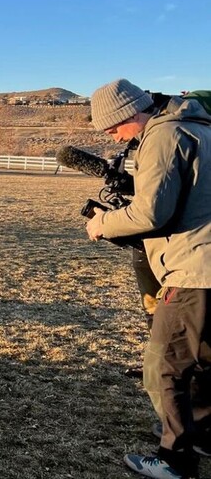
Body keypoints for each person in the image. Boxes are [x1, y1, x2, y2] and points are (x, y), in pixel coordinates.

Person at [85, 78, 211, 479]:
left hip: (194, 269)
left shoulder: (163, 134)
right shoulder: (198, 126)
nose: (113, 137)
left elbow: (152, 214)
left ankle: (175, 461)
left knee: (164, 366)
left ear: (131, 114)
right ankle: (202, 431)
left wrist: (103, 223)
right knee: (204, 357)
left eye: (112, 128)